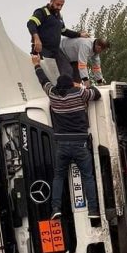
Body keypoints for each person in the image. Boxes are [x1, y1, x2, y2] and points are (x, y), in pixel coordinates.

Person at [31, 55, 101, 220]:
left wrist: (36, 65)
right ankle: (92, 211)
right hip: (80, 143)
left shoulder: (53, 94)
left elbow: (43, 80)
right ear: (71, 84)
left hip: (61, 145)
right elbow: (96, 94)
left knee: (59, 176)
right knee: (87, 177)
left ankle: (56, 208)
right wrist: (79, 85)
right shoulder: (79, 93)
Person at [27, 0, 89, 77]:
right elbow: (31, 23)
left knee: (67, 70)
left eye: (61, 5)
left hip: (55, 50)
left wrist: (79, 34)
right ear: (51, 1)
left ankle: (69, 89)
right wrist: (36, 39)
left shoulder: (59, 16)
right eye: (57, 4)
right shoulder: (42, 12)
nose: (59, 7)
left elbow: (64, 31)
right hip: (43, 49)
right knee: (46, 72)